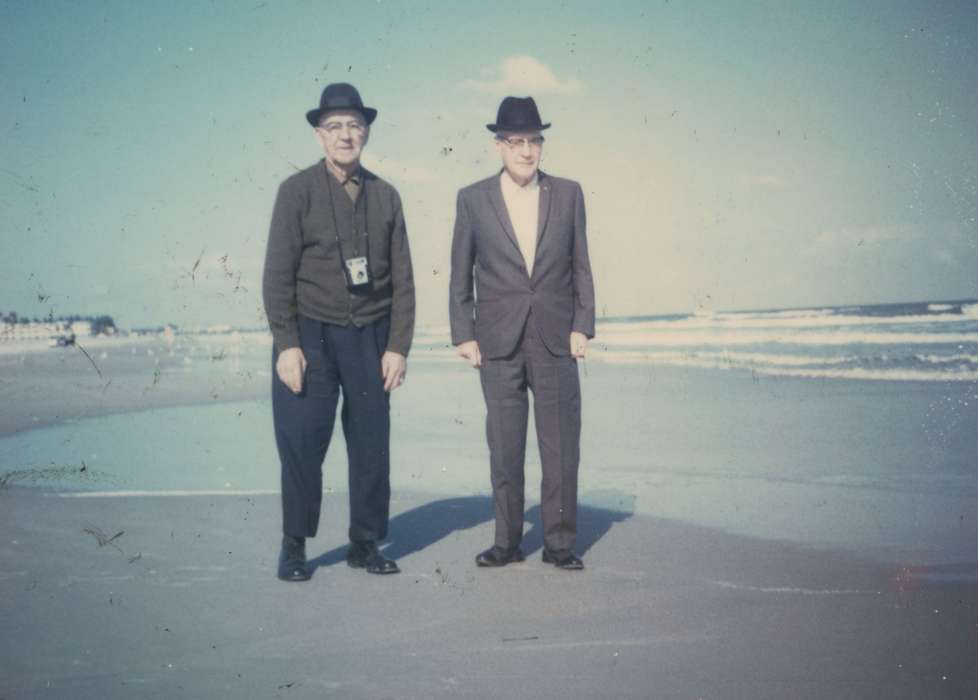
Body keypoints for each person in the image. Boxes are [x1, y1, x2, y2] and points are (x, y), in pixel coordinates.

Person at [263, 82, 415, 581]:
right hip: (310, 334)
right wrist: (286, 344)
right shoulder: (296, 192)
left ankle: (364, 542)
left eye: (354, 125)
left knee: (372, 441)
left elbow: (404, 282)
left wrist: (397, 347)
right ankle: (294, 545)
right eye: (335, 127)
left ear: (366, 131)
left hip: (370, 336)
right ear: (318, 135)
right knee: (303, 440)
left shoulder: (387, 196)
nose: (345, 135)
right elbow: (276, 275)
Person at [449, 96, 596, 571]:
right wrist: (463, 333)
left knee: (560, 448)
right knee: (505, 447)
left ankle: (558, 544)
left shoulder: (569, 193)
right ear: (499, 146)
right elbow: (460, 272)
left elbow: (581, 264)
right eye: (516, 142)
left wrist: (583, 324)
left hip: (555, 337)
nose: (527, 151)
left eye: (534, 141)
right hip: (496, 341)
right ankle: (507, 542)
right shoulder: (472, 199)